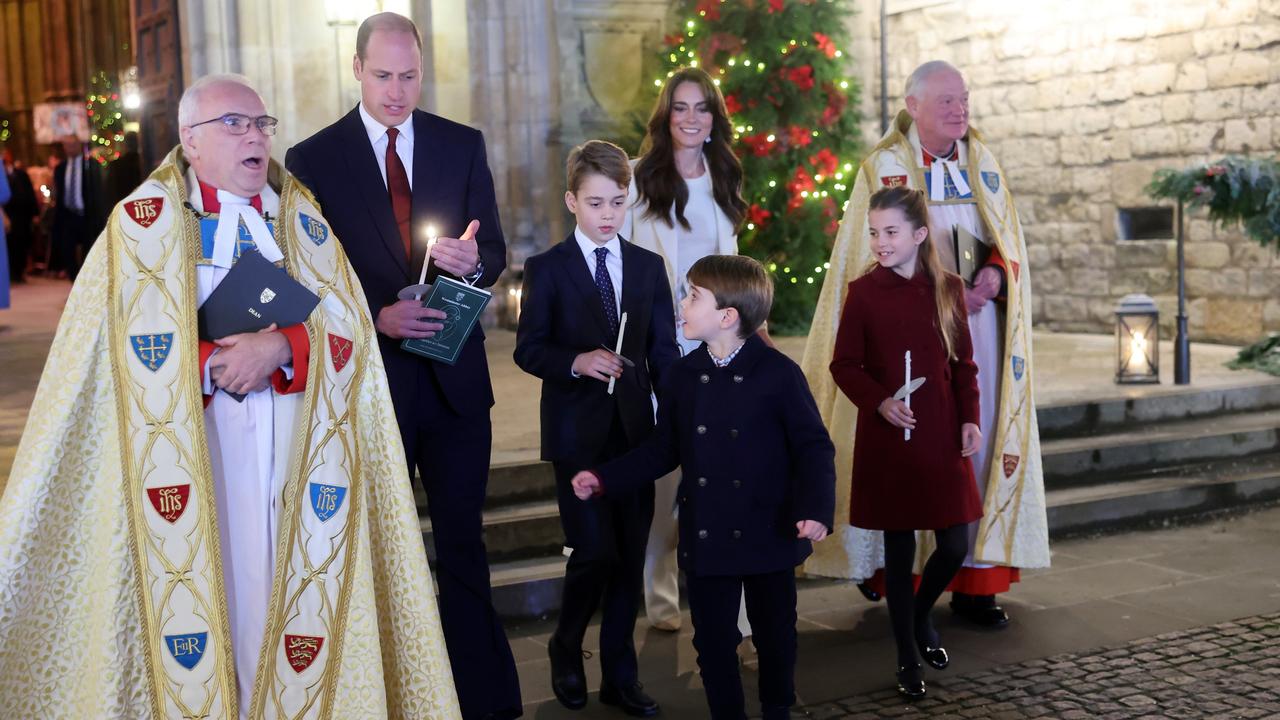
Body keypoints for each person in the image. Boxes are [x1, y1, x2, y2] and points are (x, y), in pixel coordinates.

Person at [0, 74, 461, 718]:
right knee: (215, 591)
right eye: (236, 124)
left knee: (282, 591)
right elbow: (102, 354)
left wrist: (280, 348)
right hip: (198, 461)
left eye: (262, 124)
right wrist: (209, 359)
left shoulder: (303, 224)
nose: (255, 137)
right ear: (191, 140)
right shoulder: (139, 228)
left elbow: (349, 325)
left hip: (296, 467)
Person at [285, 12, 520, 719]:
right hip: (368, 387)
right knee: (374, 551)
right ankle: (384, 697)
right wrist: (375, 318)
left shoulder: (461, 143)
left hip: (455, 387)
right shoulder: (312, 159)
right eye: (384, 75)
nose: (397, 90)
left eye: (410, 76)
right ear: (356, 68)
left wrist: (474, 263)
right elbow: (305, 282)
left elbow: (496, 252)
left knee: (463, 548)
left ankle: (483, 701)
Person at [801, 60, 1048, 627]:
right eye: (946, 101)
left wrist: (992, 274)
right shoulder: (884, 167)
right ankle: (898, 578)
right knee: (910, 443)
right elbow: (864, 259)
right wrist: (940, 292)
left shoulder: (981, 161)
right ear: (913, 106)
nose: (960, 110)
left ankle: (975, 581)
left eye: (964, 99)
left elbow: (1003, 239)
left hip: (978, 327)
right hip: (909, 333)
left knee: (972, 438)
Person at [572, 254, 835, 720]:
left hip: (770, 530)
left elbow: (814, 448)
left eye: (694, 297)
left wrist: (814, 508)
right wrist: (605, 477)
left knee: (776, 634)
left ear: (727, 316)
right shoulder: (683, 375)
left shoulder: (778, 374)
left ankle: (777, 708)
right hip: (708, 531)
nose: (683, 305)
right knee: (713, 643)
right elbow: (661, 450)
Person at [514, 139, 679, 717]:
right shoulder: (546, 269)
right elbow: (529, 350)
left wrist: (679, 416)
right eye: (595, 203)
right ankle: (565, 643)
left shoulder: (648, 267)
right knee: (593, 551)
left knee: (629, 556)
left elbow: (662, 353)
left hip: (635, 436)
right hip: (576, 435)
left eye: (617, 201)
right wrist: (577, 360)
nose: (607, 214)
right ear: (571, 201)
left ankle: (620, 674)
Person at [623, 66, 761, 636]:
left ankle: (740, 612)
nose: (690, 118)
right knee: (666, 477)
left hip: (723, 343)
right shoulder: (638, 179)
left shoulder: (723, 175)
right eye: (680, 107)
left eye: (701, 108)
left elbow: (735, 264)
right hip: (662, 344)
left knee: (730, 472)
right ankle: (660, 595)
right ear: (666, 115)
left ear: (714, 118)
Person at [830, 186, 982, 699]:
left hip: (939, 432)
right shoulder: (863, 292)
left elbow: (963, 365)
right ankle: (905, 656)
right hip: (890, 437)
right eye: (873, 232)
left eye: (890, 232)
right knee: (897, 552)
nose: (880, 242)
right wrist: (880, 402)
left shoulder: (948, 288)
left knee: (955, 543)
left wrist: (971, 420)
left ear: (919, 235)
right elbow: (844, 364)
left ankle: (919, 617)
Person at [50, 136, 103, 279]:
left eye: (73, 145)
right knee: (67, 252)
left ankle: (88, 282)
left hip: (87, 216)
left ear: (80, 144)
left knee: (89, 251)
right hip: (67, 216)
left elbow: (98, 193)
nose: (70, 148)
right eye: (66, 145)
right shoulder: (60, 169)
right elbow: (59, 194)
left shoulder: (91, 165)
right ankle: (75, 282)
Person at [4, 151, 38, 284]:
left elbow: (29, 194)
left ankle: (19, 272)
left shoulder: (21, 174)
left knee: (22, 243)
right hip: (7, 215)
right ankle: (11, 273)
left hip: (22, 216)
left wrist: (34, 213)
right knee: (9, 245)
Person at [107, 130, 146, 208]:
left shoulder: (116, 165)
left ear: (125, 144)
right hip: (143, 207)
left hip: (124, 208)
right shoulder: (145, 163)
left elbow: (110, 194)